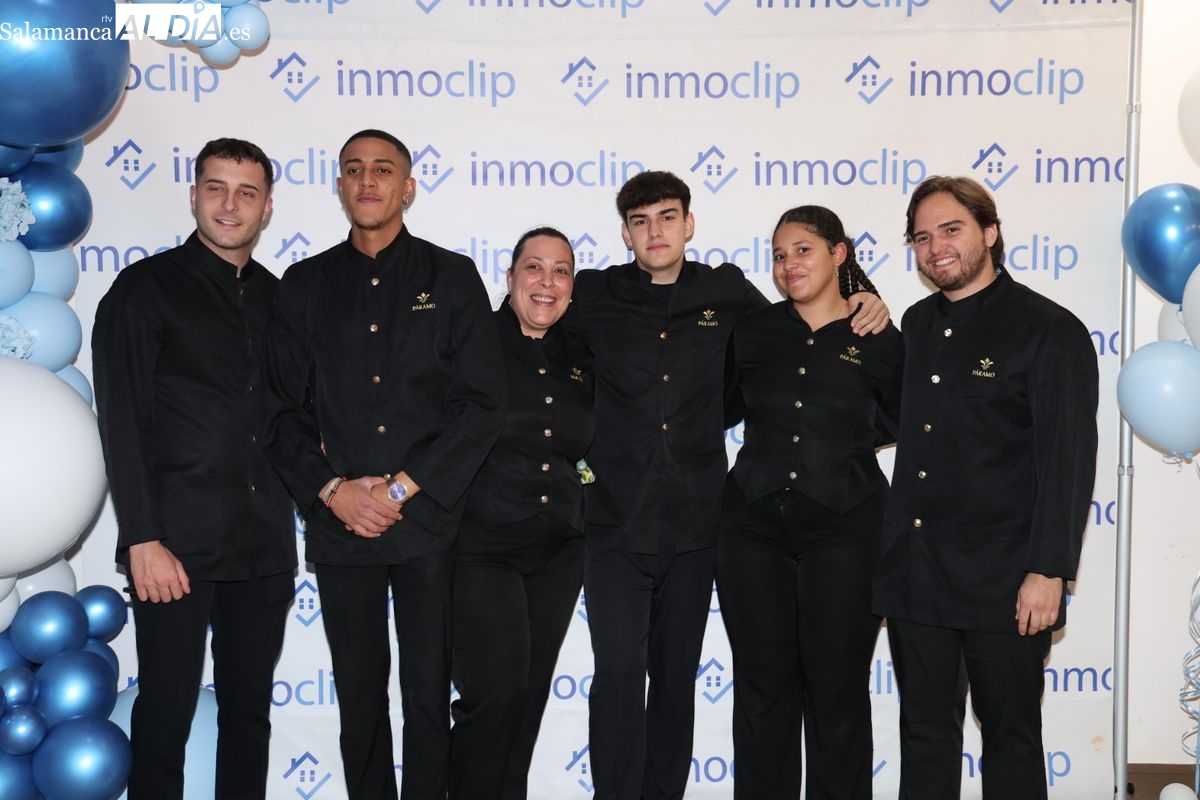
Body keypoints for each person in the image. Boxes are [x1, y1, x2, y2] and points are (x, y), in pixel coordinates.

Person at [562, 170, 889, 800]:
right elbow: (539, 340)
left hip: (698, 522)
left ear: (689, 224)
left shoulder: (728, 292)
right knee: (620, 676)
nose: (654, 231)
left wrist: (865, 294)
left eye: (667, 217)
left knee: (676, 679)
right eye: (639, 221)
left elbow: (806, 330)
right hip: (614, 519)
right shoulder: (595, 293)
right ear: (625, 233)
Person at [260, 128, 506, 799]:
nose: (367, 181)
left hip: (429, 524)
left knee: (427, 695)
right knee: (360, 697)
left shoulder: (450, 276)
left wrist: (400, 489)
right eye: (353, 169)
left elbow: (482, 404)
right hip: (340, 526)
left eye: (383, 169)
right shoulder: (304, 284)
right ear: (340, 185)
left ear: (408, 188)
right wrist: (332, 491)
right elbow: (279, 412)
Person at [873, 176, 1098, 799]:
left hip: (1007, 581)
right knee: (923, 737)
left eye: (951, 229)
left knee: (1011, 739)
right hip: (917, 575)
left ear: (990, 233)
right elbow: (888, 421)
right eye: (922, 237)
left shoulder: (1049, 329)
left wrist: (1048, 570)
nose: (936, 247)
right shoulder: (917, 324)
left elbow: (1068, 459)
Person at [92, 137, 296, 800]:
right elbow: (122, 421)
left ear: (267, 208)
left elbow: (299, 420)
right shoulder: (142, 290)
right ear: (193, 195)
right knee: (166, 714)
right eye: (216, 188)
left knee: (249, 718)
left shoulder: (280, 299)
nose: (230, 205)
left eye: (246, 192)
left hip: (264, 544)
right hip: (173, 546)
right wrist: (142, 538)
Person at [718, 205, 902, 800]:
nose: (788, 264)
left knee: (837, 690)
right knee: (762, 689)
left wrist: (839, 447)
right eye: (778, 255)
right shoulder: (752, 330)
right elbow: (719, 406)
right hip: (751, 530)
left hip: (847, 530)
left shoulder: (880, 336)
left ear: (838, 254)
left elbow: (899, 418)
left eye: (802, 250)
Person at [449, 227, 595, 800]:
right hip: (483, 546)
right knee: (495, 695)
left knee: (528, 699)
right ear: (509, 277)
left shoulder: (582, 354)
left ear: (572, 287)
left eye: (561, 271)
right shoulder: (472, 342)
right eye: (534, 267)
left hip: (560, 550)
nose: (546, 282)